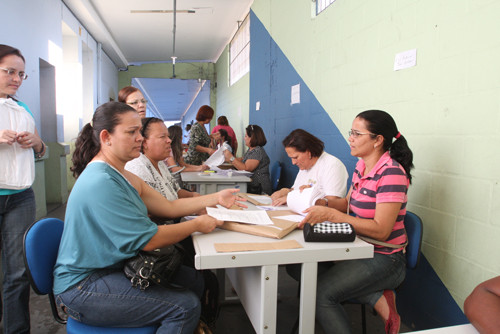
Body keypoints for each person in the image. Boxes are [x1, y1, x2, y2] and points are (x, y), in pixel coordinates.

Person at [53, 102, 244, 332]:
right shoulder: (101, 181)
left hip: (111, 268)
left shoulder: (120, 173)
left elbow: (169, 207)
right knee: (185, 307)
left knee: (192, 280)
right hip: (83, 286)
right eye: (131, 132)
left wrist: (216, 198)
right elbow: (149, 239)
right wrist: (200, 224)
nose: (139, 139)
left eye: (139, 132)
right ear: (106, 137)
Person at [293, 110, 414, 334]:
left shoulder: (392, 174)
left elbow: (381, 231)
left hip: (385, 258)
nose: (350, 138)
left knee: (320, 294)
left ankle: (375, 292)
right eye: (351, 132)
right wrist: (320, 203)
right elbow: (347, 204)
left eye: (357, 134)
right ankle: (377, 295)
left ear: (378, 140)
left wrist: (332, 216)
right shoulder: (361, 166)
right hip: (357, 247)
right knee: (299, 267)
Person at [0, 44, 46, 334]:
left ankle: (16, 331)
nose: (17, 78)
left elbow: (42, 150)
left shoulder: (22, 108)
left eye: (21, 74)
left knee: (17, 273)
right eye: (9, 72)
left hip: (20, 198)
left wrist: (35, 142)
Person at [125, 117, 199, 203]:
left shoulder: (160, 163)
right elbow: (161, 210)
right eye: (162, 136)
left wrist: (193, 195)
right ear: (144, 142)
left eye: (168, 136)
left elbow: (176, 191)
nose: (169, 140)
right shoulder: (138, 168)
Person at [271, 129, 348, 207]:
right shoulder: (304, 165)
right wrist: (286, 191)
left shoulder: (332, 165)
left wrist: (299, 197)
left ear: (309, 152)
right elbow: (296, 189)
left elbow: (332, 203)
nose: (293, 162)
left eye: (295, 157)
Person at [223, 125, 272, 195]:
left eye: (246, 136)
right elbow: (242, 160)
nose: (244, 138)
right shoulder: (251, 150)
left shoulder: (257, 151)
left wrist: (231, 157)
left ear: (252, 138)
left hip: (259, 189)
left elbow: (245, 168)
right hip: (253, 187)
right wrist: (225, 159)